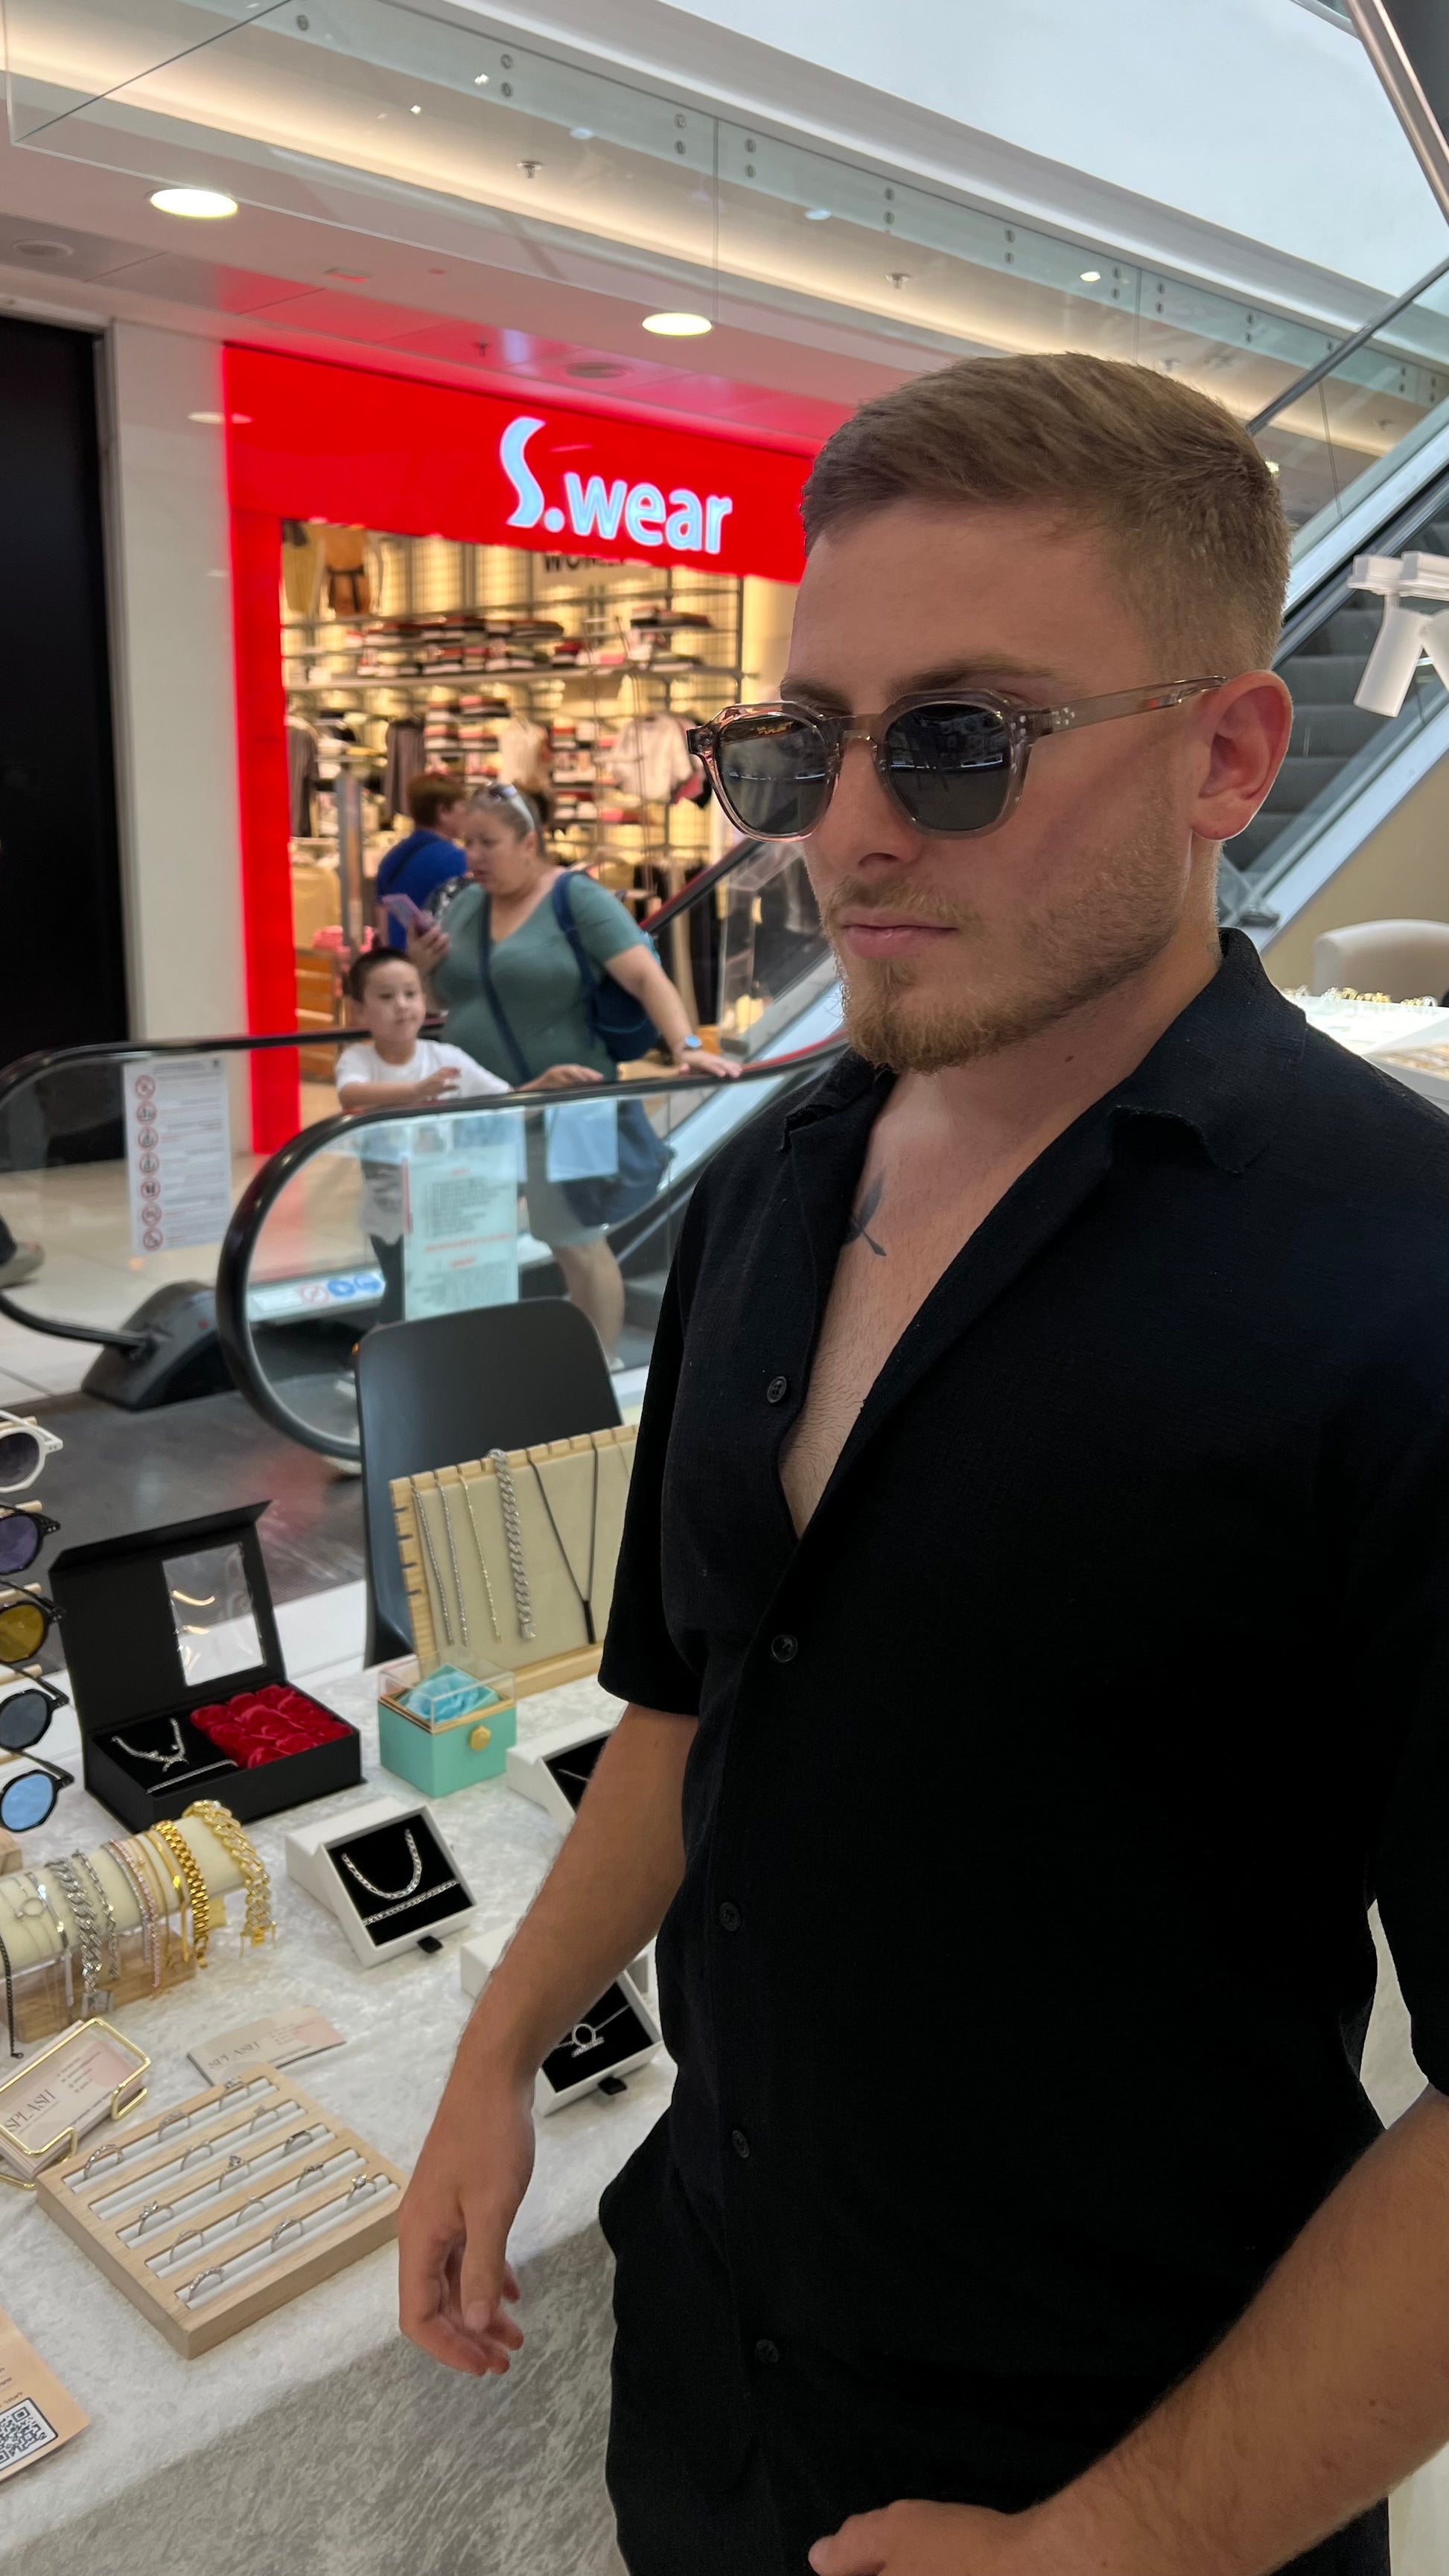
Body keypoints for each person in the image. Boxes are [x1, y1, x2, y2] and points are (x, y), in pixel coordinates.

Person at [397, 352, 1449, 2576]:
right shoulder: (775, 1185)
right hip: (719, 2386)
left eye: (959, 740)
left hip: (1133, 2467)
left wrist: (1114, 2544)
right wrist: (501, 2040)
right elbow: (691, 1699)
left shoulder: (1401, 1278)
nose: (848, 832)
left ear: (1227, 757)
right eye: (807, 745)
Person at [407, 783, 736, 1360]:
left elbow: (646, 976)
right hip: (479, 1107)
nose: (473, 856)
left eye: (487, 842)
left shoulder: (576, 898)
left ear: (528, 842)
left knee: (576, 1243)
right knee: (466, 1238)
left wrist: (686, 1046)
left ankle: (599, 1366)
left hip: (569, 1106)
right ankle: (474, 1365)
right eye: (467, 844)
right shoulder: (465, 904)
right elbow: (447, 1001)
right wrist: (422, 968)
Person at [334, 946, 592, 1323]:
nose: (402, 1006)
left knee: (446, 1294)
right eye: (386, 997)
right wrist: (415, 1092)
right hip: (392, 1214)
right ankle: (386, 1351)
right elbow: (351, 1094)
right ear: (359, 1009)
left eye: (411, 993)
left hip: (445, 1205)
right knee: (405, 1294)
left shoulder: (446, 1058)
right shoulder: (358, 1060)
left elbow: (505, 1103)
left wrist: (545, 1084)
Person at [375, 771, 469, 949]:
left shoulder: (392, 858)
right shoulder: (457, 859)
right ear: (443, 812)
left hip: (398, 957)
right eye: (463, 808)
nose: (466, 815)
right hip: (434, 958)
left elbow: (383, 923)